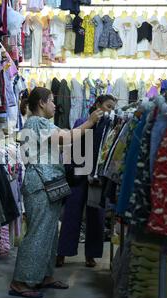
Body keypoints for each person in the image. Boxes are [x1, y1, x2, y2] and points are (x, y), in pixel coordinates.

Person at [9, 87, 103, 298]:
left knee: (49, 233)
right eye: (51, 101)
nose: (54, 105)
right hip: (40, 185)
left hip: (46, 183)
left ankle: (44, 275)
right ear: (41, 103)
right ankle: (19, 281)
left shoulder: (40, 123)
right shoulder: (37, 123)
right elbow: (66, 137)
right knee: (38, 233)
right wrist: (89, 122)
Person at [56, 94, 118, 268]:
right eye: (108, 106)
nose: (110, 110)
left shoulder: (111, 126)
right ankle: (62, 252)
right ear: (98, 104)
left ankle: (91, 255)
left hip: (98, 176)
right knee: (71, 214)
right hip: (78, 174)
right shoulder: (81, 122)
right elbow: (71, 146)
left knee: (96, 216)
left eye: (113, 107)